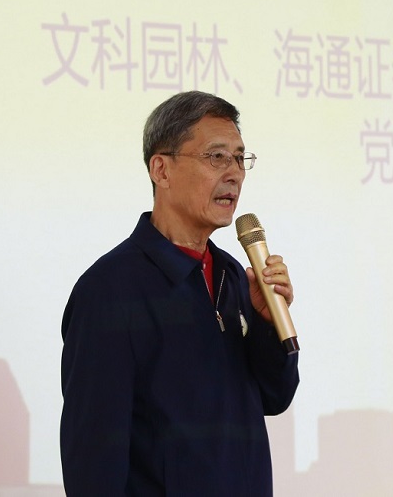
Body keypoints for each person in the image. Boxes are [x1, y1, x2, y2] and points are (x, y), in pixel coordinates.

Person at [60, 91, 300, 496]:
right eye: (216, 157)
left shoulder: (234, 276)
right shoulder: (109, 290)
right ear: (161, 169)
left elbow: (275, 397)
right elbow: (93, 457)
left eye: (239, 158)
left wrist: (265, 321)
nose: (235, 173)